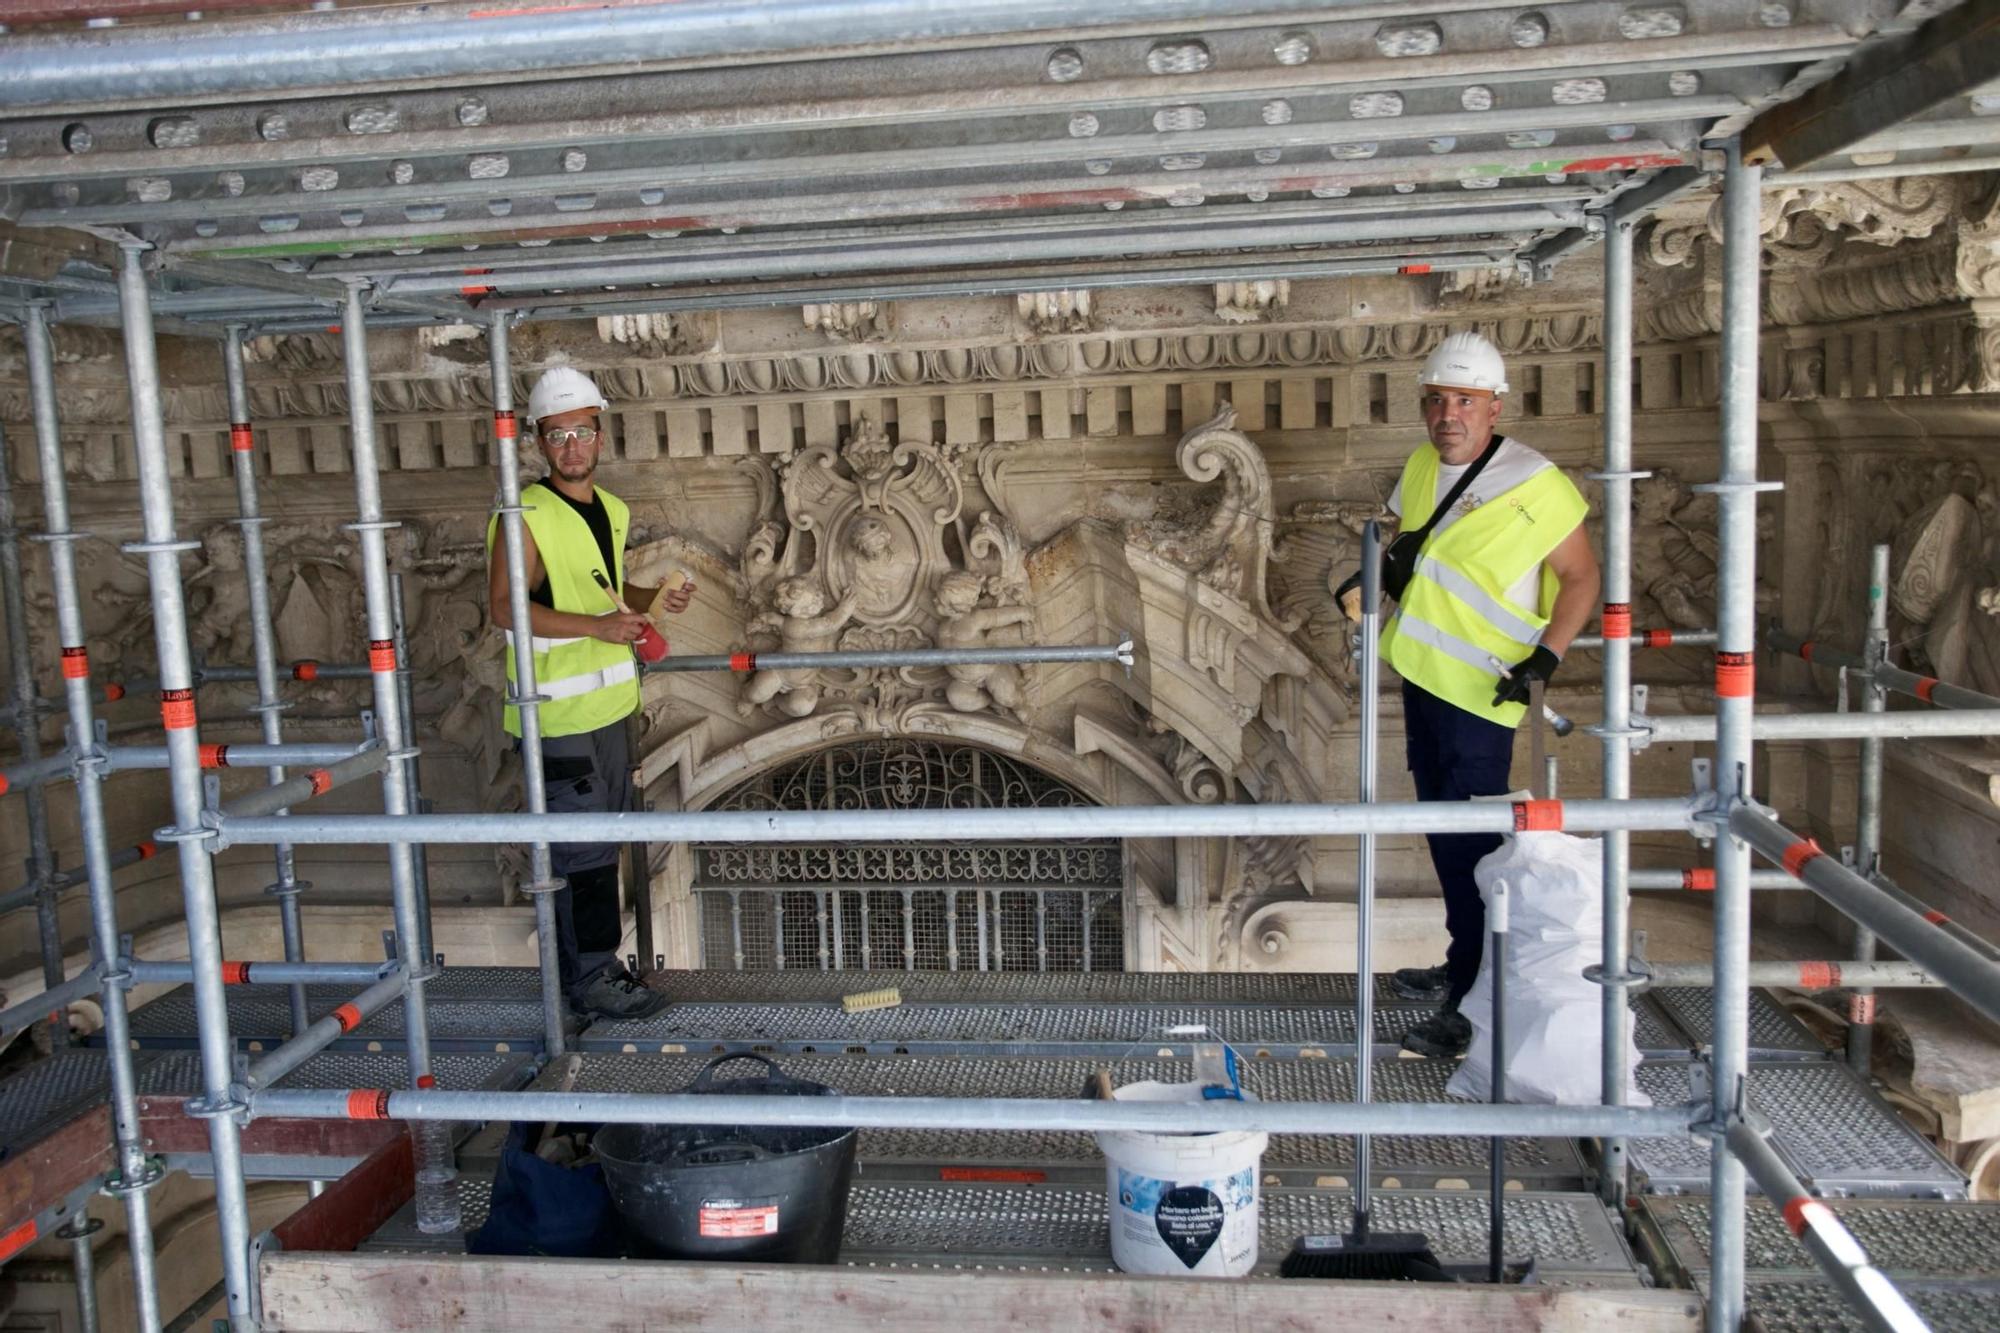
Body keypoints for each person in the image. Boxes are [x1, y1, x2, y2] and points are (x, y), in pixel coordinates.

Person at [1339, 332, 1600, 1058]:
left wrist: (1546, 656)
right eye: (1437, 400)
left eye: (1464, 400)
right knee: (1449, 841)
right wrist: (1369, 583)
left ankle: (1475, 1001)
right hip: (1423, 677)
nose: (1448, 413)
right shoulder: (1424, 465)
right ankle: (1465, 963)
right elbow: (1412, 550)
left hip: (1484, 693)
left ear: (1495, 406)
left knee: (1479, 848)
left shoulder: (1538, 485)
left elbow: (1582, 577)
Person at [486, 366, 695, 1020]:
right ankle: (588, 980)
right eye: (557, 434)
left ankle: (601, 968)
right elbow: (503, 607)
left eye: (581, 431)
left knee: (604, 842)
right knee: (580, 851)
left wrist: (652, 600)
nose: (571, 445)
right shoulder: (525, 514)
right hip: (555, 718)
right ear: (541, 444)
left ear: (600, 435)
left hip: (608, 710)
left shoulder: (611, 510)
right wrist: (599, 627)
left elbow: (602, 591)